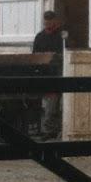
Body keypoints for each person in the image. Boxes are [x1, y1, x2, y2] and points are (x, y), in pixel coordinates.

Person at [32, 9, 66, 138]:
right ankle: (47, 129)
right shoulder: (40, 37)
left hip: (55, 73)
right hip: (43, 73)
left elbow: (64, 54)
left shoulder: (60, 37)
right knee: (47, 104)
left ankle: (51, 129)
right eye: (46, 21)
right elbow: (35, 55)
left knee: (54, 104)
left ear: (54, 21)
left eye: (50, 21)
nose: (48, 23)